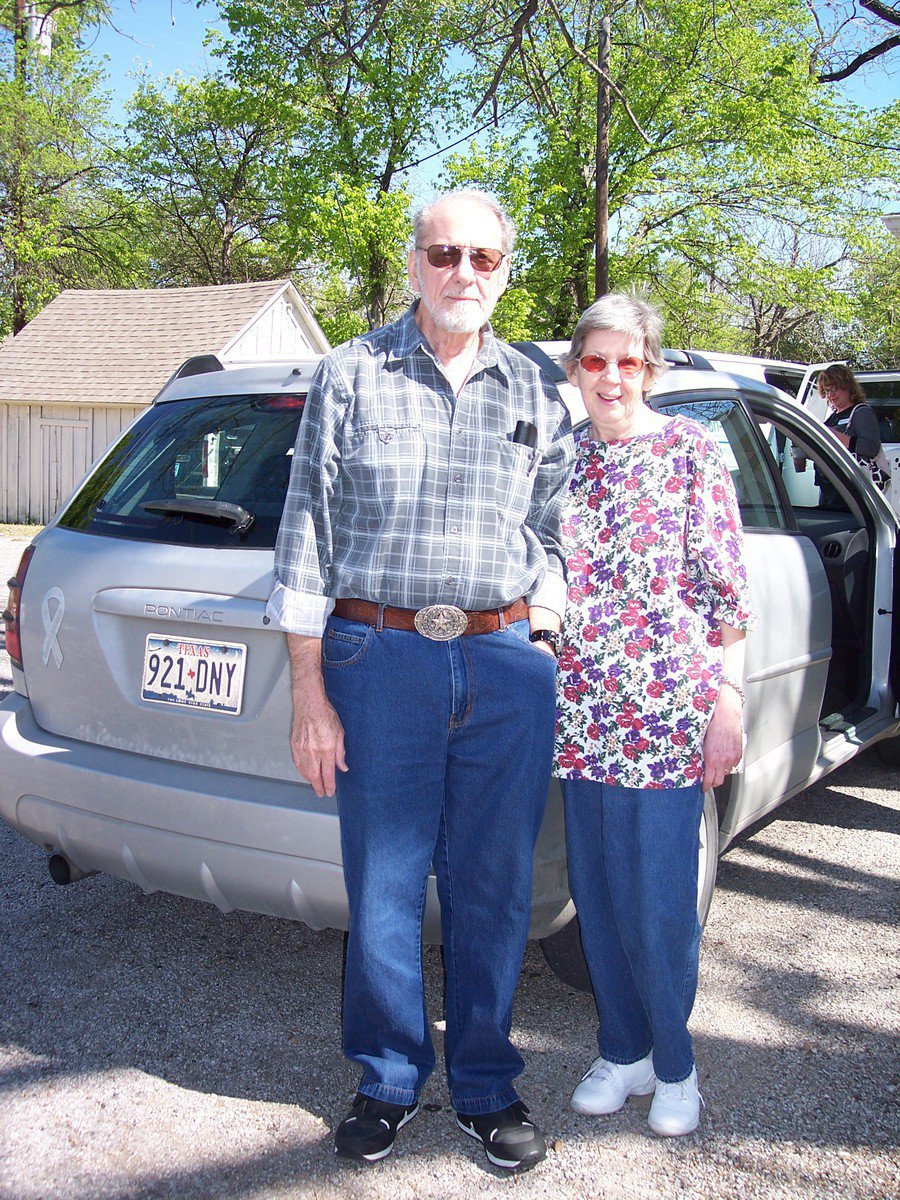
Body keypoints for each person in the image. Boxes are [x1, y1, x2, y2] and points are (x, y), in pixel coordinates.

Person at [266, 189, 574, 1171]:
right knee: (386, 888)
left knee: (492, 888)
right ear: (414, 263)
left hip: (504, 661)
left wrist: (545, 641)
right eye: (445, 254)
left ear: (505, 272)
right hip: (378, 661)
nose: (463, 274)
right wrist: (309, 694)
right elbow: (305, 537)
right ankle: (389, 1078)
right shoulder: (350, 375)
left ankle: (485, 1085)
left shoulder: (537, 390)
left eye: (483, 258)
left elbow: (557, 534)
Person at [554, 293, 757, 1137]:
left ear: (651, 369)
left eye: (627, 361)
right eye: (594, 361)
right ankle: (624, 1048)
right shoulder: (561, 459)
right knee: (596, 896)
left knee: (661, 901)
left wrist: (730, 697)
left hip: (668, 714)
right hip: (579, 710)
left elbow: (726, 590)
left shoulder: (691, 450)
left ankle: (676, 1065)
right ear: (576, 370)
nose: (610, 377)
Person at [814, 364, 890, 504]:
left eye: (835, 389)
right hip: (830, 487)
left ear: (848, 386)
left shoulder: (861, 412)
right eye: (827, 390)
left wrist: (835, 436)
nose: (831, 395)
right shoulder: (833, 416)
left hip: (852, 490)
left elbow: (871, 447)